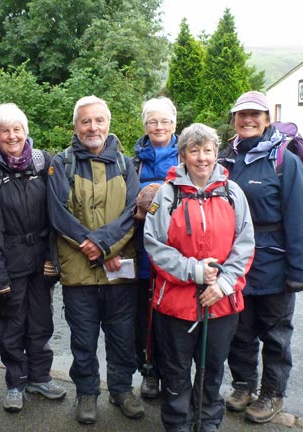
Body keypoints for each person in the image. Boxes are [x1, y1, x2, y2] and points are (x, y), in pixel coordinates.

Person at [143, 123, 255, 432]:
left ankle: (207, 423)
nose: (202, 158)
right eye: (194, 151)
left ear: (217, 154)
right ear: (183, 155)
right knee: (176, 372)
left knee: (213, 369)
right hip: (176, 305)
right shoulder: (167, 195)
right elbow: (154, 244)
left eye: (207, 151)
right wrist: (194, 271)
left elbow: (245, 244)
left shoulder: (233, 193)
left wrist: (222, 284)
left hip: (221, 303)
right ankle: (178, 424)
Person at [47, 95, 143, 425]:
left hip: (118, 269)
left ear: (108, 123)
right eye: (86, 121)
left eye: (99, 120)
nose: (93, 127)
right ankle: (87, 393)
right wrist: (95, 247)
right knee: (83, 339)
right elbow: (58, 215)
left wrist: (103, 248)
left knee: (121, 336)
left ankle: (121, 389)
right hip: (78, 272)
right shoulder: (62, 163)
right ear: (76, 125)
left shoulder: (127, 164)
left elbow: (133, 212)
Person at [220, 91, 303, 424]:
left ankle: (272, 393)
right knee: (239, 330)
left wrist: (300, 270)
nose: (248, 120)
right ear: (234, 119)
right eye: (241, 114)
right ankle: (243, 385)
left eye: (254, 115)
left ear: (267, 119)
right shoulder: (225, 159)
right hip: (235, 263)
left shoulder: (283, 160)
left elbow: (300, 217)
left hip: (273, 262)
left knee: (275, 335)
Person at [0, 103, 66, 413]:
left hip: (41, 257)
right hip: (8, 257)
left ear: (26, 131)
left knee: (41, 320)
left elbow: (55, 213)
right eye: (4, 130)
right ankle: (15, 381)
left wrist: (53, 256)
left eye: (17, 129)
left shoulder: (42, 162)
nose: (12, 136)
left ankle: (40, 376)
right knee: (12, 322)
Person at [132, 96, 180, 399]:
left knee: (174, 318)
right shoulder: (133, 161)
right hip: (141, 252)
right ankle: (149, 372)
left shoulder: (186, 157)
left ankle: (174, 375)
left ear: (174, 124)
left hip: (178, 252)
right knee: (143, 317)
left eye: (164, 121)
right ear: (145, 126)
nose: (158, 126)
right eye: (152, 121)